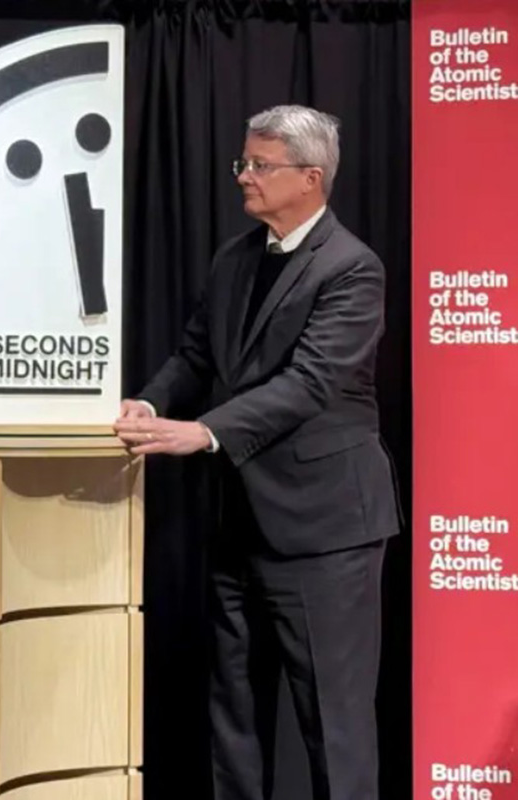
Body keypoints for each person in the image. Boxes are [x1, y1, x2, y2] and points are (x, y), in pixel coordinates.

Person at [113, 105, 399, 800]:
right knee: (234, 713)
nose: (243, 176)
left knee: (332, 722)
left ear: (310, 177)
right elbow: (196, 355)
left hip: (325, 530)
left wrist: (204, 431)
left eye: (260, 165)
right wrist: (149, 403)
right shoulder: (235, 259)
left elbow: (309, 384)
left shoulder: (352, 269)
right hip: (237, 521)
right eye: (243, 162)